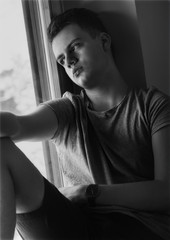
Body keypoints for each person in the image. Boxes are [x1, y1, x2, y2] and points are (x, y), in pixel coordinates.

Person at [0, 8, 170, 240]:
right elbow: (18, 126)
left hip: (138, 227)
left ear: (103, 41)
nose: (69, 61)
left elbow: (165, 191)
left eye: (75, 47)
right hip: (77, 225)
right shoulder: (69, 110)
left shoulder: (154, 106)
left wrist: (89, 193)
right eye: (61, 59)